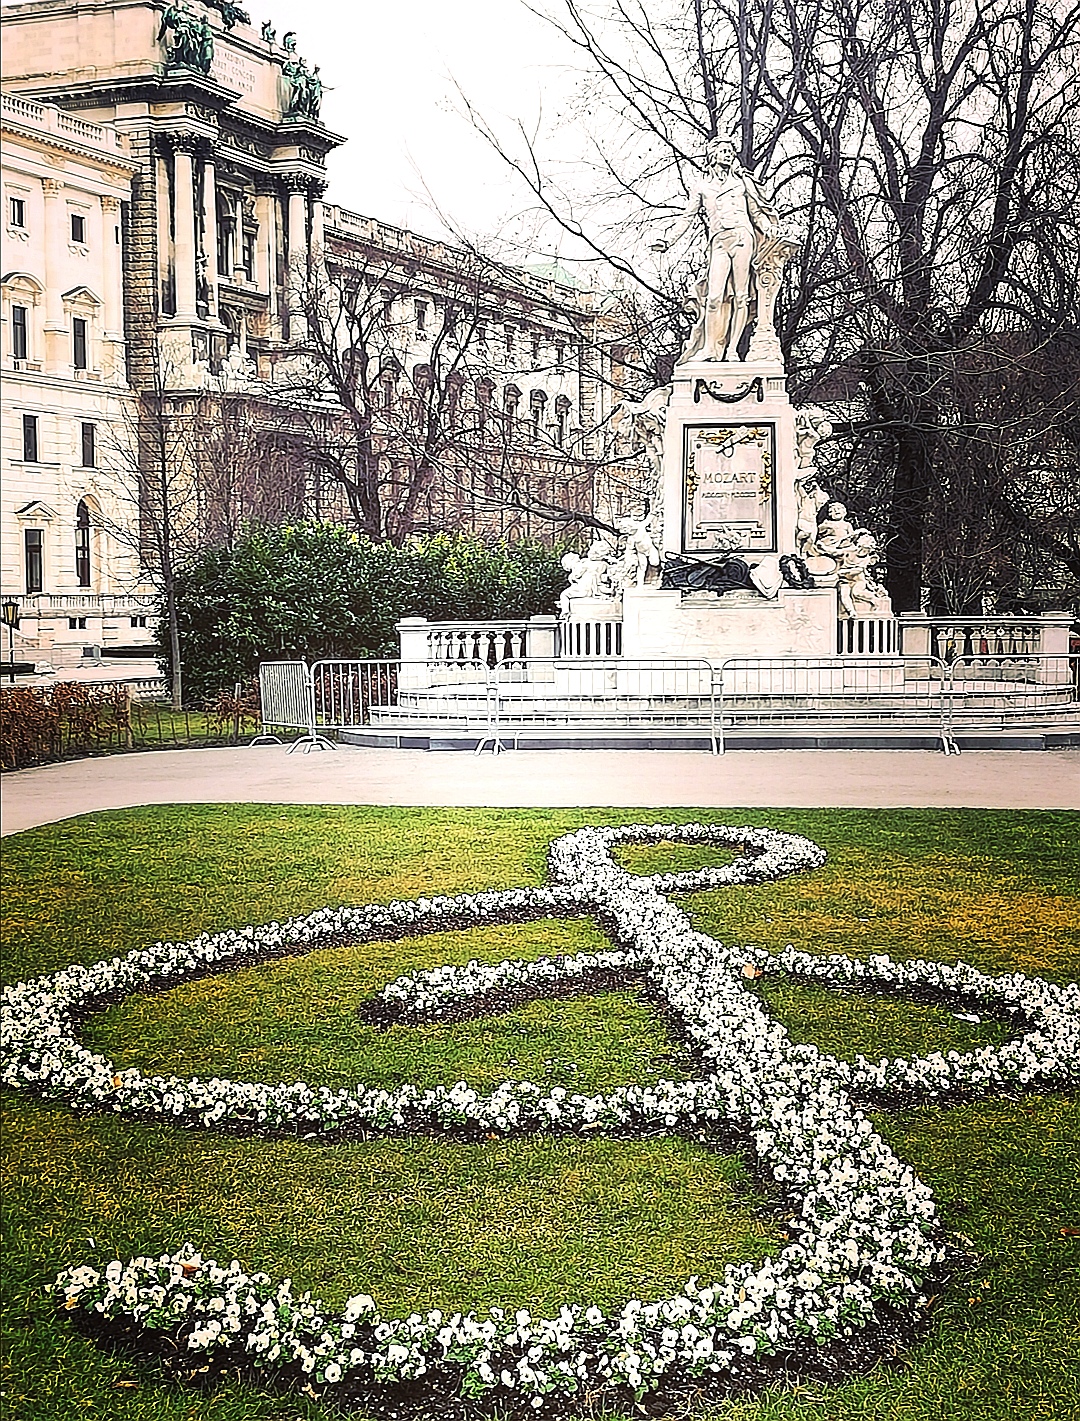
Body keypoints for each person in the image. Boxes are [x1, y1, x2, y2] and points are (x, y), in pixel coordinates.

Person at [654, 135, 778, 362]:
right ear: (713, 156)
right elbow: (687, 217)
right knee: (713, 297)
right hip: (718, 242)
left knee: (741, 297)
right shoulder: (702, 186)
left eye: (731, 151)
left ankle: (732, 350)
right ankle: (710, 348)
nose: (729, 155)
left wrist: (768, 227)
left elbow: (756, 212)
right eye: (723, 151)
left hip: (742, 237)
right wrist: (668, 240)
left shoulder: (742, 183)